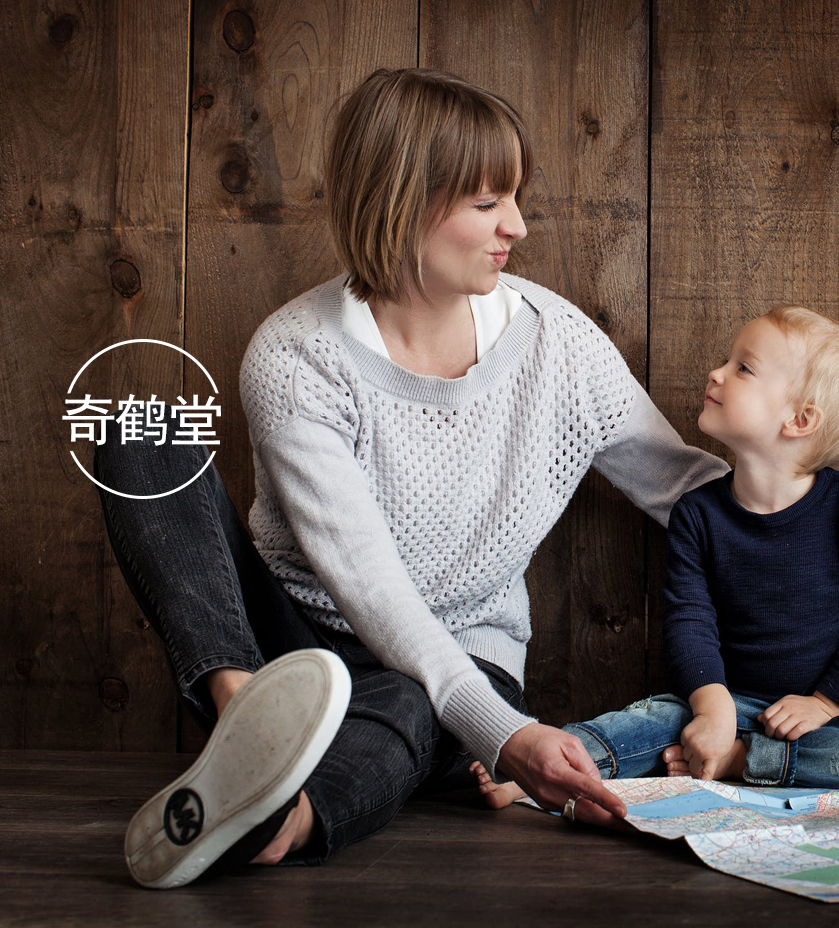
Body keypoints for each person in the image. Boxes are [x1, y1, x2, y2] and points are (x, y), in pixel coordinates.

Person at [93, 66, 729, 889]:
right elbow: (368, 584)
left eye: (514, 197)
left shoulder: (557, 346)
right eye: (487, 202)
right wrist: (504, 739)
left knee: (406, 698)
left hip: (458, 661)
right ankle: (247, 720)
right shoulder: (296, 356)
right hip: (289, 643)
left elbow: (686, 489)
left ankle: (281, 817)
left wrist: (829, 581)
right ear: (404, 200)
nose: (519, 226)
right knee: (140, 437)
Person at [473, 305, 839, 805]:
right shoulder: (699, 513)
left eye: (743, 368)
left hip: (821, 718)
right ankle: (542, 771)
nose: (717, 372)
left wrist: (826, 702)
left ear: (800, 419)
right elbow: (690, 620)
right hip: (724, 698)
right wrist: (712, 709)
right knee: (647, 722)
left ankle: (744, 762)